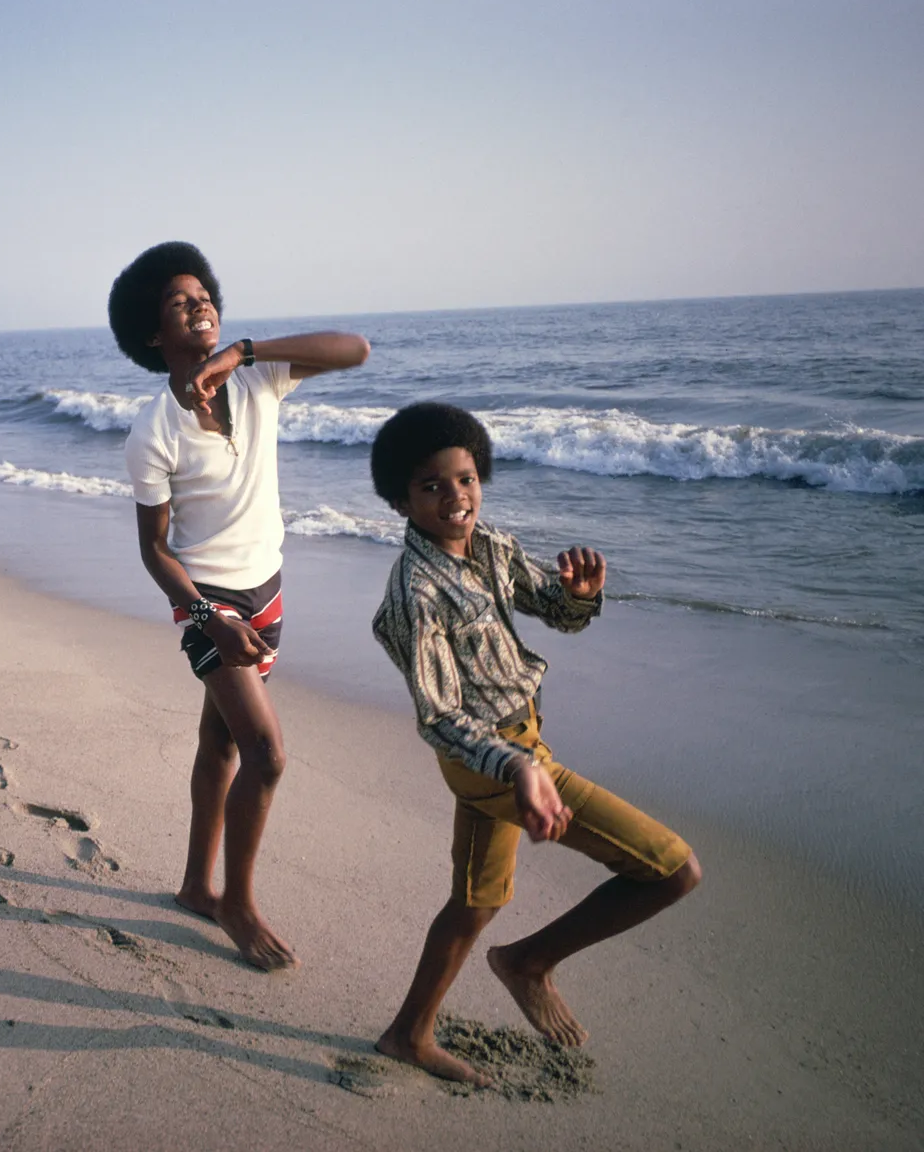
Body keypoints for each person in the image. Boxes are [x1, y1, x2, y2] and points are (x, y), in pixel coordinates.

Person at [368, 401, 703, 1085]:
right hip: (491, 760)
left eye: (464, 478)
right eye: (431, 486)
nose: (455, 497)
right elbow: (437, 716)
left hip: (514, 748)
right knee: (672, 870)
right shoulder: (413, 593)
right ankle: (529, 963)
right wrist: (521, 768)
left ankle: (408, 1033)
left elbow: (555, 612)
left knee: (476, 900)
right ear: (401, 499)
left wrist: (579, 595)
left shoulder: (490, 546)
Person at [111, 241, 370, 971]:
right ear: (153, 336)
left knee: (221, 741)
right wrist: (206, 620)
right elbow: (154, 549)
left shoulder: (259, 382)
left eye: (203, 296)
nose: (198, 307)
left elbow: (355, 349)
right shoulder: (152, 430)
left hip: (267, 592)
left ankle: (196, 883)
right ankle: (236, 902)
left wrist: (243, 352)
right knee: (267, 754)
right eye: (176, 304)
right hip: (206, 603)